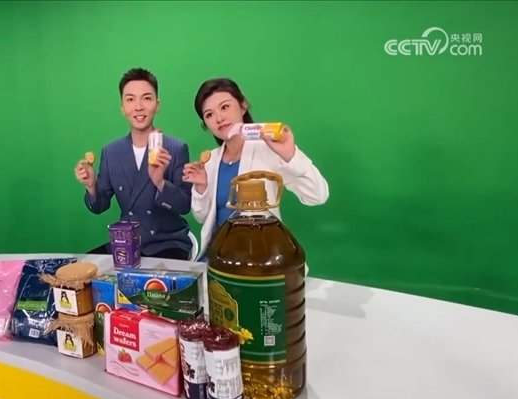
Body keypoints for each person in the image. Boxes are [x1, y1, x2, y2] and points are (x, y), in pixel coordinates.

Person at [182, 78, 329, 261]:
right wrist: (201, 187)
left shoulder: (268, 150)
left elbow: (318, 195)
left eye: (225, 107)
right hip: (217, 257)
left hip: (257, 258)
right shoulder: (210, 160)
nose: (219, 118)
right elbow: (202, 217)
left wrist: (291, 155)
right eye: (209, 115)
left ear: (243, 106)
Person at [74, 68, 193, 261]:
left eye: (147, 98)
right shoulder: (111, 152)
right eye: (130, 99)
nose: (138, 107)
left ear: (157, 105)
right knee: (81, 268)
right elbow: (99, 206)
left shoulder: (176, 148)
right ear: (122, 107)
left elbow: (185, 206)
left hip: (167, 243)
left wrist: (160, 183)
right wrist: (91, 187)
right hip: (126, 242)